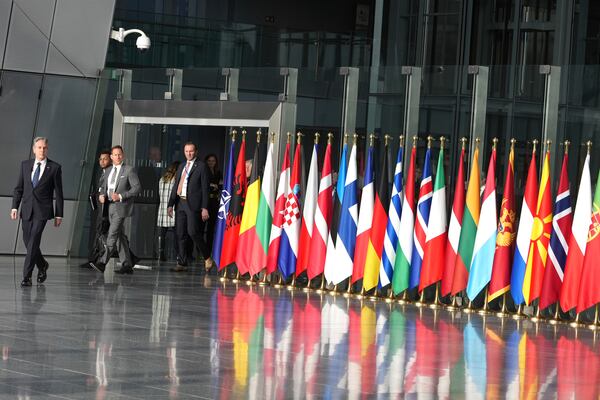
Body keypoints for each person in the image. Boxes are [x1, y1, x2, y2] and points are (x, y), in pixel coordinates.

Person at [11, 137, 64, 287]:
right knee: (28, 242)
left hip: (43, 211)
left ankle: (26, 277)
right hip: (26, 209)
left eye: (44, 148)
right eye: (39, 147)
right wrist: (15, 207)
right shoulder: (25, 165)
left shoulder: (54, 168)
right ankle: (42, 265)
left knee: (33, 240)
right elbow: (19, 188)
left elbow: (59, 193)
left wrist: (59, 214)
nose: (42, 150)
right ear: (34, 149)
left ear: (47, 149)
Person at [94, 145, 141, 274]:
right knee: (119, 236)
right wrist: (101, 195)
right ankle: (127, 264)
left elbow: (137, 188)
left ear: (123, 155)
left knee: (112, 234)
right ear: (111, 156)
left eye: (120, 154)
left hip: (121, 206)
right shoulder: (108, 170)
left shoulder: (129, 170)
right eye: (115, 155)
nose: (118, 157)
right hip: (109, 206)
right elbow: (103, 187)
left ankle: (102, 262)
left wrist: (121, 196)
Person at [167, 142, 213, 272]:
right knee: (180, 233)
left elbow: (205, 189)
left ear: (196, 151)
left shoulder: (202, 167)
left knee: (193, 232)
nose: (189, 153)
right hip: (180, 203)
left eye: (191, 151)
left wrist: (205, 207)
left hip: (193, 204)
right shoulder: (182, 166)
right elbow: (176, 186)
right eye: (186, 151)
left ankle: (207, 257)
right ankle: (182, 262)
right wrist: (171, 204)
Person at [157, 161, 181, 261]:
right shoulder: (176, 180)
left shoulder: (162, 179)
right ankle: (178, 255)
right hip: (173, 209)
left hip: (162, 209)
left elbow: (159, 194)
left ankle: (160, 254)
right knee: (177, 234)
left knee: (162, 234)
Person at [204, 154, 222, 261]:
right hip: (206, 201)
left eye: (213, 161)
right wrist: (213, 185)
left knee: (211, 229)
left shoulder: (218, 172)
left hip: (215, 201)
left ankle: (208, 251)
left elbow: (221, 185)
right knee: (201, 228)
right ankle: (201, 251)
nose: (211, 162)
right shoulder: (204, 171)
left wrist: (215, 186)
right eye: (209, 161)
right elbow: (205, 185)